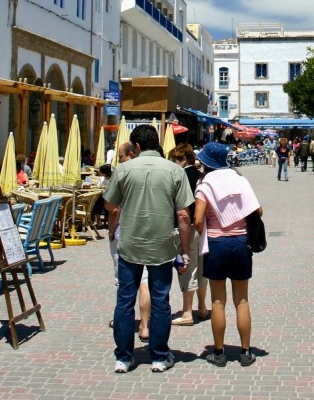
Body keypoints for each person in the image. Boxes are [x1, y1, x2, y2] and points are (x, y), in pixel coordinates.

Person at [103, 124, 193, 374]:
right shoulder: (175, 171)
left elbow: (110, 204)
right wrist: (185, 251)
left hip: (130, 243)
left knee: (124, 301)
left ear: (137, 146)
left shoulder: (124, 170)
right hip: (162, 246)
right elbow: (184, 215)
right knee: (160, 300)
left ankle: (123, 357)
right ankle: (159, 357)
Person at [194, 141, 262, 367]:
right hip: (241, 242)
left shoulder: (204, 184)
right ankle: (246, 351)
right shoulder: (240, 179)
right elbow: (258, 210)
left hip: (216, 243)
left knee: (217, 301)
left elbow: (197, 219)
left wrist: (205, 233)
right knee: (242, 300)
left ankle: (219, 352)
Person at [106, 143, 150, 341]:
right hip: (146, 231)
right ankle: (145, 326)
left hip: (124, 231)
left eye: (121, 156)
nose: (119, 160)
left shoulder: (122, 173)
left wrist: (110, 230)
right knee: (144, 280)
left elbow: (114, 208)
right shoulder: (148, 172)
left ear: (130, 154)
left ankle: (123, 320)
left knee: (123, 279)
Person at [168, 143, 209, 325]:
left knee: (187, 268)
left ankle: (187, 312)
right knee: (201, 268)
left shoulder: (180, 176)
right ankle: (202, 307)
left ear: (183, 159)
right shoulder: (201, 176)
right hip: (202, 227)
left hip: (187, 228)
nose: (173, 164)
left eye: (174, 160)